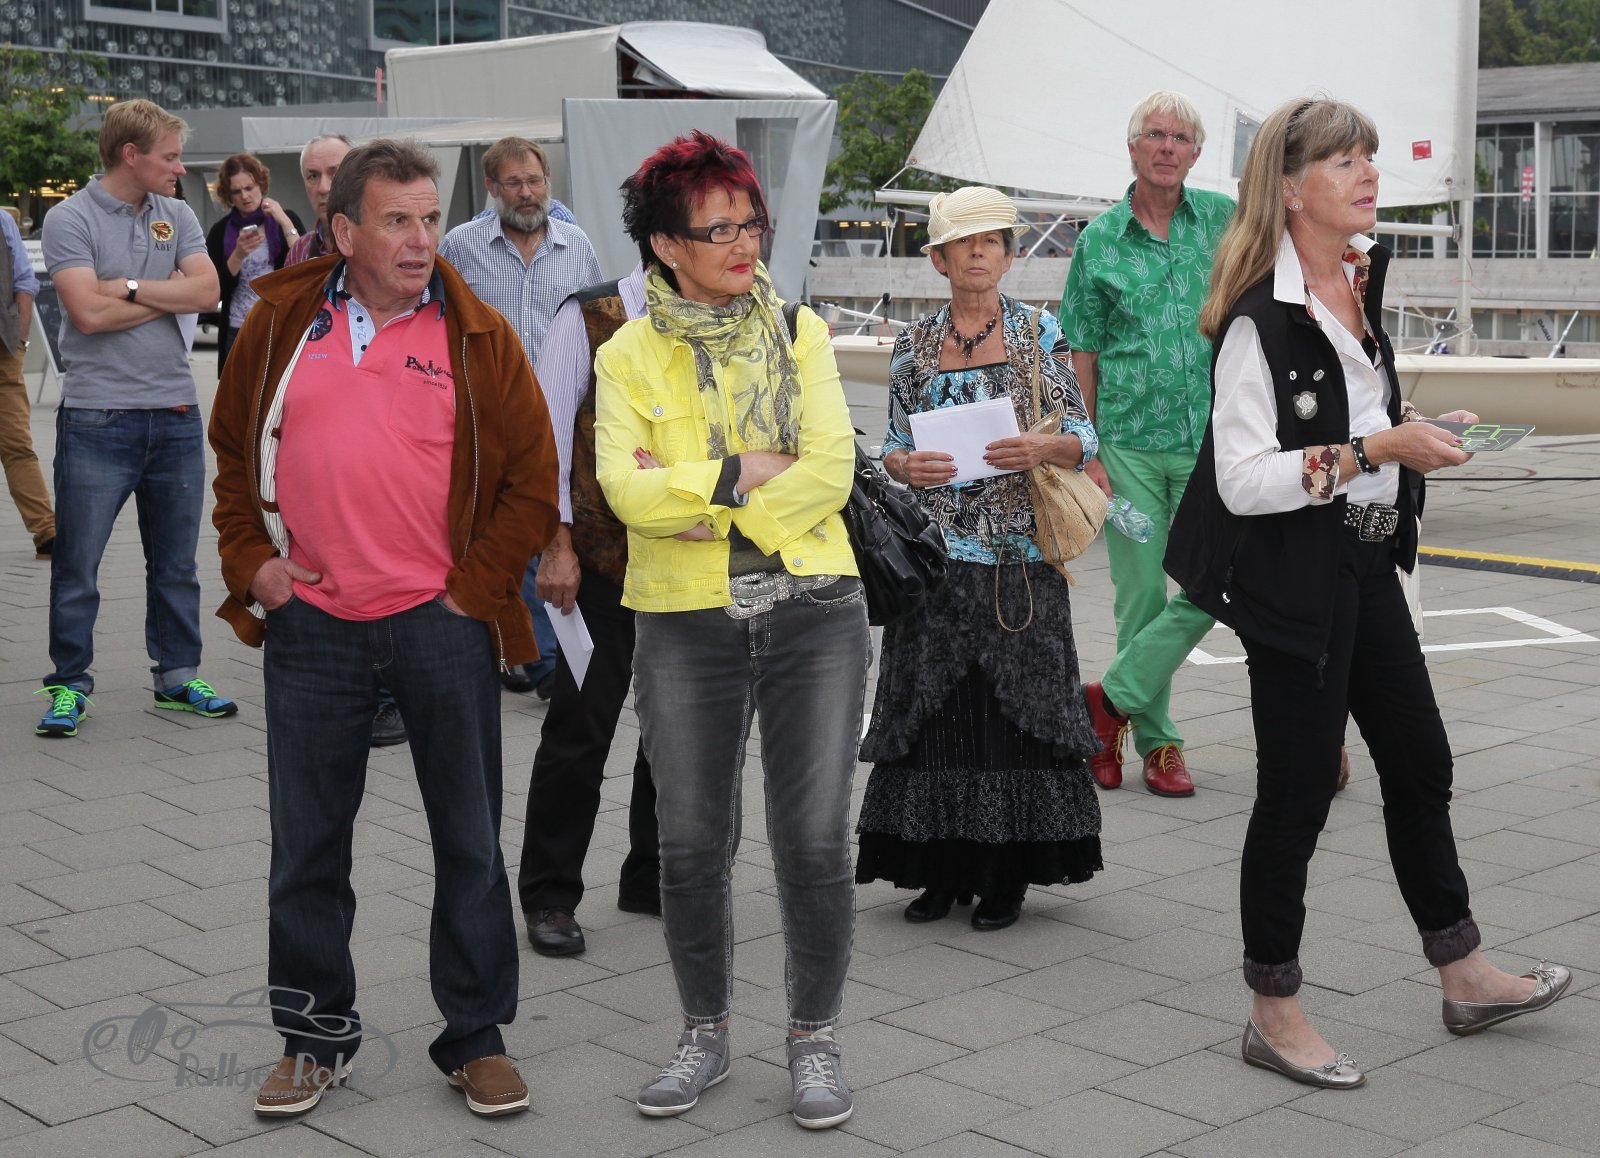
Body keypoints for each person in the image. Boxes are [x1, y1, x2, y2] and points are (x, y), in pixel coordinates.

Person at [1167, 96, 1571, 1090]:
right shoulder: (1258, 320)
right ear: (1289, 186)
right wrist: (1378, 446)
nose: (1368, 175)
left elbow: (1351, 417)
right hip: (1292, 580)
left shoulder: (1353, 281)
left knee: (1421, 763)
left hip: (1367, 563)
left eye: (1368, 157)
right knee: (1298, 791)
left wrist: (1417, 426)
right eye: (1344, 161)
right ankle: (1272, 1012)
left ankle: (1464, 972)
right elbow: (1242, 480)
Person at [209, 138, 559, 1120]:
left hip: (441, 626)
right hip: (312, 629)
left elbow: (533, 481)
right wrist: (253, 565)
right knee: (306, 852)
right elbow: (232, 458)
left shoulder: (478, 334)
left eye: (429, 219)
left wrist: (474, 591)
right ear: (343, 230)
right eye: (396, 221)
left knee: (470, 844)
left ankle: (476, 1039)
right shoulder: (281, 321)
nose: (418, 240)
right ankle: (312, 1039)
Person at [594, 130, 866, 1130]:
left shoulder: (799, 331)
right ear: (667, 245)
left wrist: (708, 504)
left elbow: (830, 468)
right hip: (682, 621)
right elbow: (623, 492)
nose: (744, 243)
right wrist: (736, 471)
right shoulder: (626, 353)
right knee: (690, 842)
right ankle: (702, 1033)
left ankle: (814, 1038)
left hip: (816, 612)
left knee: (814, 840)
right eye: (719, 230)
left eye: (752, 224)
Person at [856, 186, 1103, 932]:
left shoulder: (1038, 332)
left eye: (990, 241)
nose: (976, 252)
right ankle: (938, 873)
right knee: (934, 715)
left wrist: (1039, 446)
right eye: (962, 242)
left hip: (1017, 559)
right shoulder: (912, 344)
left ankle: (1004, 879)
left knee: (1014, 717)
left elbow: (1084, 440)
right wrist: (905, 467)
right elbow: (892, 445)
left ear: (1007, 256)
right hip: (934, 560)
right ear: (938, 259)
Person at [37, 99, 233, 739]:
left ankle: (178, 677)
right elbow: (85, 316)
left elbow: (209, 292)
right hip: (98, 417)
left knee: (177, 565)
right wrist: (164, 293)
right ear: (131, 155)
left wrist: (122, 286)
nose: (180, 169)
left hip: (175, 413)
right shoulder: (70, 217)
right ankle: (69, 684)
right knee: (77, 566)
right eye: (170, 157)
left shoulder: (176, 213)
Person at [1059, 90, 1235, 797]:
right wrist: (1089, 451)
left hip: (1212, 447)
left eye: (1180, 137)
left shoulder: (1223, 220)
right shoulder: (1099, 240)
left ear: (1196, 153)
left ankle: (1108, 704)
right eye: (1155, 135)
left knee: (1218, 580)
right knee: (1139, 598)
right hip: (1126, 451)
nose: (1167, 147)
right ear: (1133, 148)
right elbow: (1082, 350)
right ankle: (1159, 746)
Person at [517, 263, 661, 959]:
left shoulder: (737, 313)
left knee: (679, 735)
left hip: (691, 566)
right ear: (664, 238)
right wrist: (556, 546)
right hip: (600, 565)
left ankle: (654, 876)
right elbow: (544, 440)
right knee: (580, 730)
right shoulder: (588, 316)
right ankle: (549, 893)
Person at [439, 135, 602, 699]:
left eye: (535, 181)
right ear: (492, 187)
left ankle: (541, 656)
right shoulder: (461, 246)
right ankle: (513, 647)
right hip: (488, 414)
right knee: (494, 530)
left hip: (560, 415)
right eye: (514, 183)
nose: (527, 192)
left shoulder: (575, 245)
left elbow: (598, 325)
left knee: (545, 523)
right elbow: (442, 324)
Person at [283, 132, 404, 748]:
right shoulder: (300, 256)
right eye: (312, 175)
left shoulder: (412, 271)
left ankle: (390, 696)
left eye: (334, 171)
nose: (323, 184)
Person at [206, 152, 304, 372]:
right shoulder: (220, 232)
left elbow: (305, 266)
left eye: (249, 188)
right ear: (228, 195)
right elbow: (214, 292)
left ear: (261, 184)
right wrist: (237, 255)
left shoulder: (284, 219)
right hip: (237, 327)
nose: (244, 196)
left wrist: (284, 220)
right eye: (236, 191)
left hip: (278, 325)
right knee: (236, 393)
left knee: (276, 390)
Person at [1, 206, 55, 560]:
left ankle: (47, 532)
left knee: (17, 444)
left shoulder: (2, 221)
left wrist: (20, 340)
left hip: (3, 352)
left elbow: (25, 281)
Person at [285, 134, 352, 265]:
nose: (323, 188)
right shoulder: (299, 252)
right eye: (313, 176)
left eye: (335, 174)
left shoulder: (379, 245)